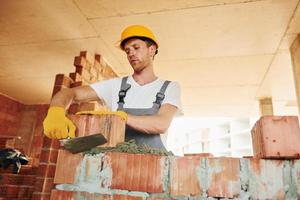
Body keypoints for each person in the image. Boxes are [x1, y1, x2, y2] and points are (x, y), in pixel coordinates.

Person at [43, 25, 181, 150]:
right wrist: (56, 111)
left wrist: (121, 117)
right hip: (115, 165)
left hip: (152, 167)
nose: (131, 53)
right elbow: (69, 93)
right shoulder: (116, 86)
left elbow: (161, 124)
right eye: (127, 51)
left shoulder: (169, 87)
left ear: (152, 50)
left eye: (136, 47)